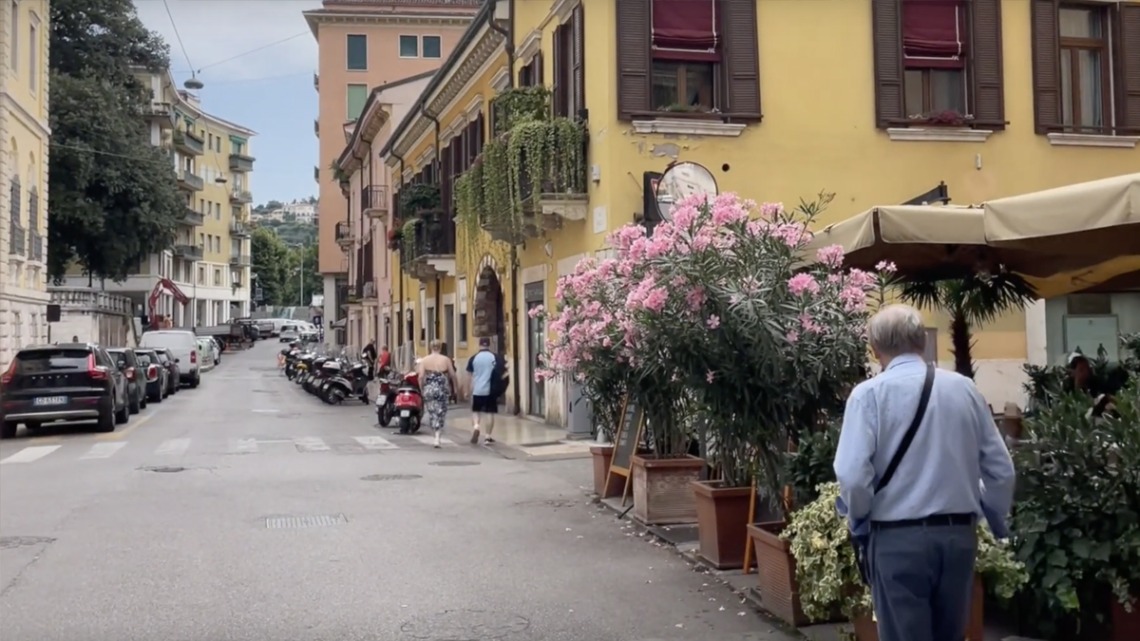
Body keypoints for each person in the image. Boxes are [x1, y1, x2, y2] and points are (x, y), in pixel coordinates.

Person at [833, 304, 1016, 641]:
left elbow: (853, 476)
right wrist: (995, 518)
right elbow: (1001, 469)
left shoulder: (868, 396)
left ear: (875, 349)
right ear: (922, 342)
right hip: (958, 537)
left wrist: (858, 519)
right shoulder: (964, 389)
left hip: (896, 539)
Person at [416, 340, 458, 448]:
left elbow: (420, 377)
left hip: (429, 388)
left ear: (430, 347)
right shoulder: (446, 359)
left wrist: (421, 389)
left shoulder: (424, 360)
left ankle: (435, 434)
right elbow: (453, 375)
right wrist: (455, 389)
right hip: (442, 388)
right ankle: (438, 436)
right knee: (441, 412)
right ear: (440, 348)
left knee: (432, 412)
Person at [466, 337, 504, 445]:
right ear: (489, 345)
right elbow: (502, 372)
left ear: (480, 345)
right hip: (491, 390)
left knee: (476, 411)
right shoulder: (495, 357)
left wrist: (468, 391)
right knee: (489, 413)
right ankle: (488, 437)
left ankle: (476, 426)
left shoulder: (474, 358)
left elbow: (469, 376)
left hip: (477, 390)